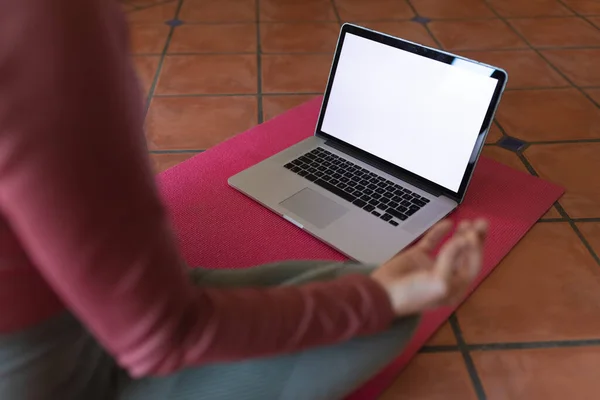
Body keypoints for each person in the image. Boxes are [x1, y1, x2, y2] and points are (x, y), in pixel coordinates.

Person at [0, 1, 488, 399]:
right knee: (387, 313)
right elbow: (165, 337)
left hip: (63, 308)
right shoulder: (48, 23)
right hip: (50, 370)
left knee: (360, 283)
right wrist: (380, 300)